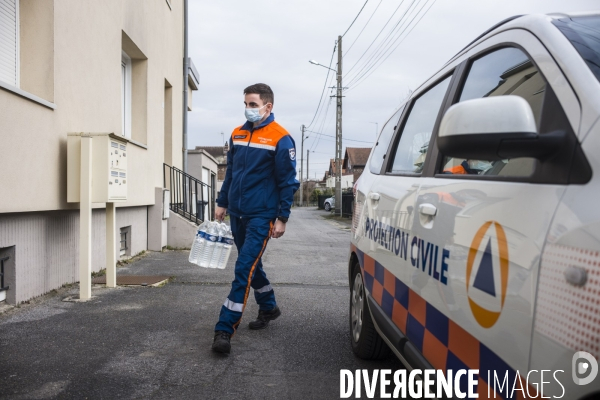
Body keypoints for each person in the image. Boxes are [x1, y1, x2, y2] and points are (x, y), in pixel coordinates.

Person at [211, 83, 299, 354]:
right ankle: (269, 307)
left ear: (267, 106)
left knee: (243, 268)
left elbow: (288, 182)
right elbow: (231, 172)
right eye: (246, 104)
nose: (248, 109)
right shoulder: (237, 134)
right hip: (237, 213)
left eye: (253, 104)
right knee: (252, 265)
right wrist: (222, 203)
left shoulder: (281, 138)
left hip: (262, 216)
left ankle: (224, 329)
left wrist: (282, 217)